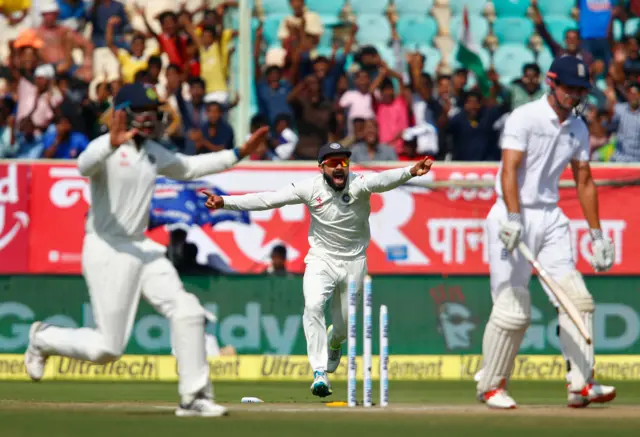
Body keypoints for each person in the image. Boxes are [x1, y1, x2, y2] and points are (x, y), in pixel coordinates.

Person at [23, 82, 268, 417]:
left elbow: (189, 168)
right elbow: (83, 165)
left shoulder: (153, 152)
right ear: (124, 114)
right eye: (144, 113)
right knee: (108, 349)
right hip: (107, 248)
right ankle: (42, 338)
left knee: (188, 311)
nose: (151, 120)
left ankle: (194, 397)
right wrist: (110, 142)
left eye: (154, 114)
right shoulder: (106, 148)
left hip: (141, 247)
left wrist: (239, 152)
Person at [203, 143, 432, 397]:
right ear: (321, 166)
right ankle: (319, 372)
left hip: (355, 261)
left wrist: (410, 171)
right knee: (313, 306)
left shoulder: (359, 183)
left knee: (345, 328)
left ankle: (335, 341)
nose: (339, 168)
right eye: (333, 163)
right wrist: (225, 202)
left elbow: (383, 180)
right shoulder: (309, 187)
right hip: (321, 260)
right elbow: (268, 199)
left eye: (343, 163)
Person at [478, 56, 616, 409]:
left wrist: (598, 235)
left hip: (551, 217)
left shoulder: (578, 127)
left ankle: (581, 384)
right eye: (570, 88)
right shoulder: (524, 117)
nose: (575, 95)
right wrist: (511, 216)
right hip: (512, 215)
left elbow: (584, 179)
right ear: (552, 84)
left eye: (581, 90)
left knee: (578, 300)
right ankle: (491, 385)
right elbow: (510, 169)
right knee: (513, 309)